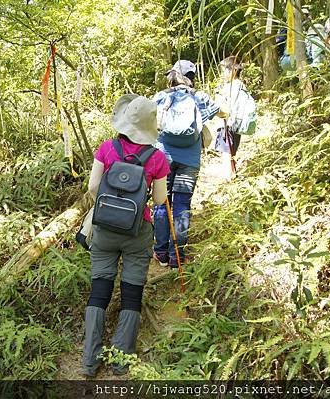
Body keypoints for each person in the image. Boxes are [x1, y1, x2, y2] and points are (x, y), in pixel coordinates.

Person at [82, 94, 169, 377]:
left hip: (105, 228)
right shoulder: (157, 158)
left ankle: (90, 358)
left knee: (99, 289)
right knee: (132, 292)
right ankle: (121, 359)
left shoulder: (107, 148)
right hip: (137, 232)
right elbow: (158, 200)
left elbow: (93, 188)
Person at [152, 60, 221, 269]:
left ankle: (161, 252)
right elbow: (218, 110)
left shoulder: (161, 97)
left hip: (163, 157)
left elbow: (146, 119)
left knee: (162, 203)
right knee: (181, 206)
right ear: (191, 76)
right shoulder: (198, 96)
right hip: (190, 160)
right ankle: (177, 256)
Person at [214, 56, 255, 178]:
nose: (223, 73)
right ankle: (231, 175)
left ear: (233, 70)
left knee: (226, 152)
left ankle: (228, 177)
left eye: (225, 70)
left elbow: (226, 107)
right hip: (236, 124)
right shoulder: (240, 85)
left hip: (228, 124)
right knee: (231, 151)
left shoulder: (232, 86)